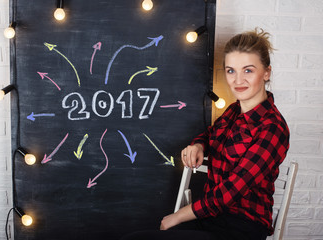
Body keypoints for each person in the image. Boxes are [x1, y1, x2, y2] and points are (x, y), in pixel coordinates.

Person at [121, 28, 290, 240]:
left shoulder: (273, 127)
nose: (238, 80)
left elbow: (230, 191)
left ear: (266, 73)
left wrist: (179, 215)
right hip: (210, 218)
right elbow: (210, 135)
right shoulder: (233, 111)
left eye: (248, 70)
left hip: (242, 227)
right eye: (231, 70)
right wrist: (199, 145)